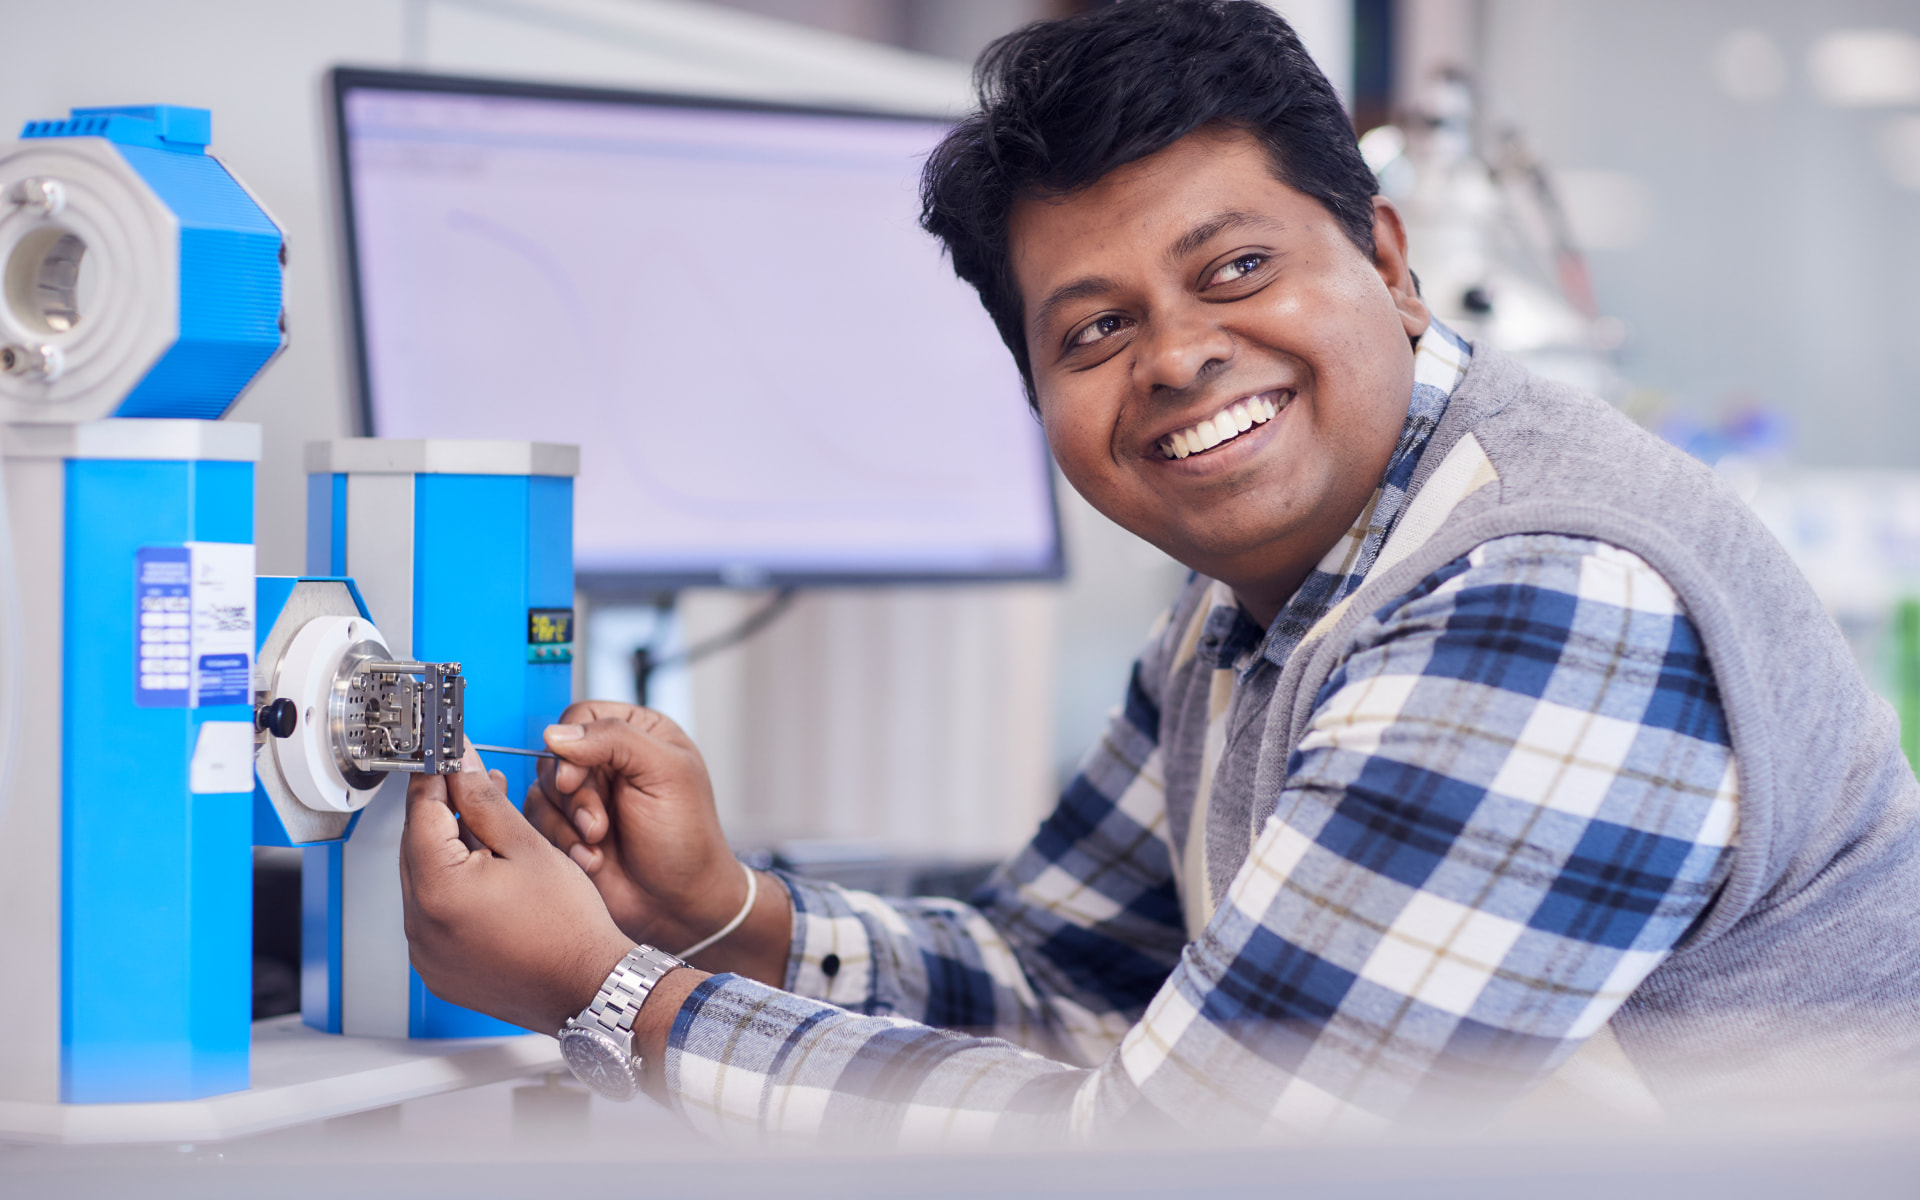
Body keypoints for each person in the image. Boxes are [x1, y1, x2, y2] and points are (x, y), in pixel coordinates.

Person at [399, 0, 1920, 1145]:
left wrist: (610, 998)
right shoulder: (1259, 596)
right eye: (1093, 329)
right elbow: (1071, 975)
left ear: (1388, 260)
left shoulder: (1545, 592)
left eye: (1237, 268)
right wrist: (727, 914)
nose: (1181, 356)